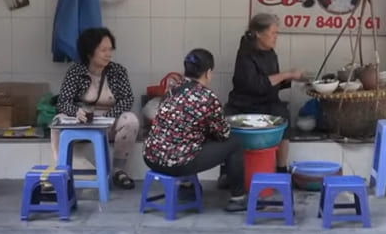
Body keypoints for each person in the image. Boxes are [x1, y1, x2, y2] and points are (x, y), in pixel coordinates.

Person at [145, 49, 247, 212]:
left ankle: (188, 187)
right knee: (234, 144)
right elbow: (223, 134)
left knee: (189, 138)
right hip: (177, 164)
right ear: (208, 73)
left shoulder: (172, 90)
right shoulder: (207, 97)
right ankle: (238, 198)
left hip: (152, 157)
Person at [53, 27, 139, 190]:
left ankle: (118, 170)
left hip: (109, 121)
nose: (108, 54)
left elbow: (127, 99)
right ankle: (60, 170)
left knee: (131, 120)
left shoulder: (117, 71)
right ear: (89, 52)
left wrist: (108, 117)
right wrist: (76, 112)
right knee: (56, 122)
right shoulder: (75, 71)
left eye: (110, 49)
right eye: (103, 50)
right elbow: (62, 101)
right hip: (82, 121)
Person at [223, 13, 302, 185]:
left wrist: (291, 80)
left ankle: (281, 170)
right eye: (273, 33)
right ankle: (227, 173)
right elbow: (256, 85)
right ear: (259, 34)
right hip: (245, 105)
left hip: (267, 103)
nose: (276, 37)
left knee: (283, 115)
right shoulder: (245, 55)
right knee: (226, 121)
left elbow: (272, 82)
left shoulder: (271, 53)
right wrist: (286, 74)